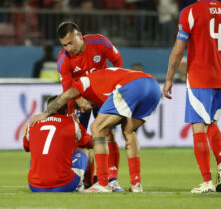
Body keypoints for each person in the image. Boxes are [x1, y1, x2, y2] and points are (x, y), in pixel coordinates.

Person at [163, 0, 221, 194]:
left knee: (199, 127)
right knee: (212, 125)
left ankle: (207, 181)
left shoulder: (189, 12)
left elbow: (178, 51)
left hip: (199, 78)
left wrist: (169, 78)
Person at [29, 68, 161, 193]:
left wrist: (46, 113)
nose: (81, 110)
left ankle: (103, 183)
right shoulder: (102, 95)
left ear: (78, 96)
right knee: (129, 131)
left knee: (96, 127)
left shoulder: (82, 83)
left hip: (132, 85)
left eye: (77, 106)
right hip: (153, 86)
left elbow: (66, 94)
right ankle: (136, 184)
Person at [56, 21, 124, 192]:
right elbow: (67, 89)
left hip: (103, 96)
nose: (68, 48)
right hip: (80, 99)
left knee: (108, 134)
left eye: (70, 42)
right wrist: (75, 105)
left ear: (79, 35)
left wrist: (111, 87)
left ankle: (112, 179)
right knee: (78, 138)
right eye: (64, 45)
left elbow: (118, 61)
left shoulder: (99, 43)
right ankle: (84, 180)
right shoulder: (64, 59)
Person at [23, 96, 93, 192]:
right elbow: (90, 143)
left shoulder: (33, 123)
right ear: (65, 109)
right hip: (65, 184)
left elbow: (26, 147)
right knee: (84, 150)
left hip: (35, 186)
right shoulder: (71, 123)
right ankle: (88, 184)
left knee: (37, 153)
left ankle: (39, 178)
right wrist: (78, 124)